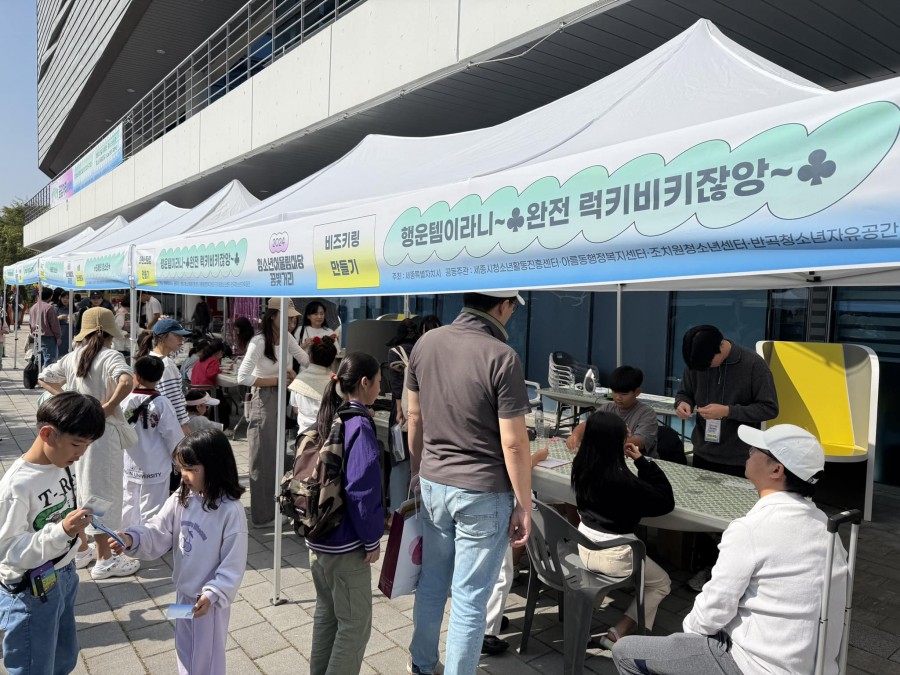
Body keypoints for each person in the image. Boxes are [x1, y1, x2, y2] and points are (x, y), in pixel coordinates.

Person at [612, 424, 849, 675]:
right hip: (812, 665)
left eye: (757, 449)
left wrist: (689, 640)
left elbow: (711, 612)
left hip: (754, 665)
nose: (749, 451)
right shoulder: (824, 526)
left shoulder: (751, 529)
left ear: (777, 470)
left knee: (626, 651)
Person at [407, 291, 533, 675]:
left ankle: (422, 665)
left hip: (433, 480)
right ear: (502, 306)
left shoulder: (425, 343)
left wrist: (417, 471)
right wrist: (524, 504)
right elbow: (514, 442)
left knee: (432, 582)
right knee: (469, 598)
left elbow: (414, 416)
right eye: (512, 307)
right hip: (483, 491)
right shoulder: (502, 356)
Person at [111, 430, 248, 675]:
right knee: (184, 651)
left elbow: (233, 563)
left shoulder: (230, 511)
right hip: (184, 594)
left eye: (190, 469)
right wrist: (132, 538)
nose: (183, 476)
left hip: (208, 602)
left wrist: (213, 594)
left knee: (206, 659)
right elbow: (158, 530)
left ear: (214, 466)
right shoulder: (183, 497)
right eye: (180, 468)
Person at [0, 392, 105, 675]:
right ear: (47, 434)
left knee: (63, 657)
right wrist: (62, 532)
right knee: (34, 665)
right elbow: (7, 550)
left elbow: (63, 509)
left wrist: (76, 535)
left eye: (87, 446)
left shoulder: (61, 464)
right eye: (76, 444)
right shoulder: (16, 487)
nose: (80, 454)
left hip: (64, 574)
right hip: (30, 588)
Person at [37, 307, 139, 579]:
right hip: (102, 435)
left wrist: (69, 400)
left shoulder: (73, 356)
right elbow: (127, 381)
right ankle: (105, 558)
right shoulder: (110, 355)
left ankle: (83, 549)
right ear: (107, 332)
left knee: (81, 491)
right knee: (102, 494)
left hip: (77, 435)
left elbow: (43, 377)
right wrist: (106, 407)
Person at [307, 351, 384, 675]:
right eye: (378, 382)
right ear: (364, 383)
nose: (380, 388)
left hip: (318, 536)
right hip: (344, 542)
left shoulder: (330, 416)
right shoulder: (358, 425)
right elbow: (362, 491)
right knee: (354, 626)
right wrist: (372, 539)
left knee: (327, 617)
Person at [572, 411, 674, 649]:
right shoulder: (623, 482)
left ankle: (581, 623)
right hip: (615, 555)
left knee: (602, 575)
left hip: (585, 546)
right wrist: (642, 461)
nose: (630, 436)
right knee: (661, 583)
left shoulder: (581, 465)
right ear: (614, 442)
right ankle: (618, 632)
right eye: (625, 435)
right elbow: (665, 501)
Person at [237, 298, 309, 526]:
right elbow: (242, 377)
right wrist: (278, 379)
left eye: (294, 318)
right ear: (273, 316)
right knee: (262, 457)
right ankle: (262, 515)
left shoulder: (287, 337)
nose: (292, 322)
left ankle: (274, 508)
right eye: (288, 317)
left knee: (277, 456)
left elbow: (305, 360)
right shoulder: (259, 341)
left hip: (280, 397)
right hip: (264, 398)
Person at [675, 325, 778, 477]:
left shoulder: (754, 365)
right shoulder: (697, 362)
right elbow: (684, 393)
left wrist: (728, 411)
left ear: (721, 346)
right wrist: (682, 403)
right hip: (702, 453)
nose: (706, 368)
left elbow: (769, 408)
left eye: (709, 363)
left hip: (740, 459)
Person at [121, 356, 185, 528]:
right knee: (153, 510)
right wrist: (180, 462)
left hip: (129, 464)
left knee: (128, 505)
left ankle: (126, 537)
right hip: (155, 467)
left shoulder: (125, 400)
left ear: (136, 375)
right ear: (159, 377)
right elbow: (173, 437)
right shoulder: (162, 403)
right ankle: (148, 539)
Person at [566, 365, 659, 456]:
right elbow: (586, 425)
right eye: (614, 392)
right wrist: (575, 435)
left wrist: (604, 441)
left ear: (637, 392)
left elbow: (639, 442)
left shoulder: (646, 413)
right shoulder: (608, 408)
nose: (618, 397)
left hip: (640, 461)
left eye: (624, 394)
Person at [135, 318, 192, 436]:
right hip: (169, 424)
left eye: (182, 336)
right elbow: (174, 400)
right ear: (162, 337)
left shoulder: (152, 357)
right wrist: (185, 427)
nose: (181, 339)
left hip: (154, 420)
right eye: (177, 335)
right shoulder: (166, 364)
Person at [288, 335, 336, 433]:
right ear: (332, 360)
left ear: (310, 357)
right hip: (329, 433)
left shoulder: (300, 380)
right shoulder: (335, 381)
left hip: (305, 434)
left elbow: (295, 409)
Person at [29, 286, 61, 368]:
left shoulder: (33, 307)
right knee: (50, 359)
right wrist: (58, 336)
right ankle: (46, 374)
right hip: (48, 336)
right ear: (50, 296)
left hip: (37, 335)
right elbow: (54, 324)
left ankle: (37, 373)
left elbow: (30, 322)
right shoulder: (49, 308)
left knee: (38, 358)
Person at [52, 287, 72, 356]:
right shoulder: (56, 308)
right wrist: (59, 318)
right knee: (60, 354)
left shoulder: (74, 309)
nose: (65, 300)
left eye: (67, 298)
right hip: (60, 333)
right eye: (63, 298)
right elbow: (51, 321)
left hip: (71, 333)